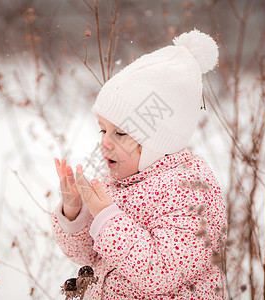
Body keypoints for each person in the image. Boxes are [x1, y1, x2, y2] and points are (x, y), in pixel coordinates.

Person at [52, 29, 227, 299]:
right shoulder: (120, 179)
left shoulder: (191, 191)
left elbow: (161, 272)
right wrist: (76, 215)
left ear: (159, 143)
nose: (105, 143)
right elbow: (89, 255)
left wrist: (108, 219)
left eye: (120, 133)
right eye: (103, 130)